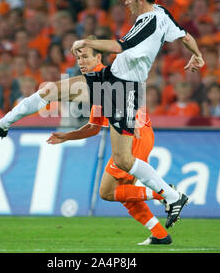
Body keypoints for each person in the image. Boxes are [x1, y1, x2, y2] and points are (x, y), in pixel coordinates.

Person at [0, 0, 204, 229]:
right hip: (112, 79)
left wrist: (86, 41)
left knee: (124, 161)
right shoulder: (162, 13)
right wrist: (197, 55)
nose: (125, 2)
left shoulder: (149, 21)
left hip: (123, 89)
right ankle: (2, 125)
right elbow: (185, 36)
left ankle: (173, 197)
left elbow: (119, 47)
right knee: (50, 90)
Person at [47, 38, 171, 245]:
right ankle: (160, 234)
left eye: (85, 56)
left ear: (98, 56)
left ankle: (165, 193)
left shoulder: (111, 77)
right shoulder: (95, 83)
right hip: (135, 134)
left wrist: (132, 126)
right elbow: (93, 127)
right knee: (124, 193)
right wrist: (66, 136)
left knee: (107, 191)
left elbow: (131, 103)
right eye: (78, 57)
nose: (81, 61)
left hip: (134, 135)